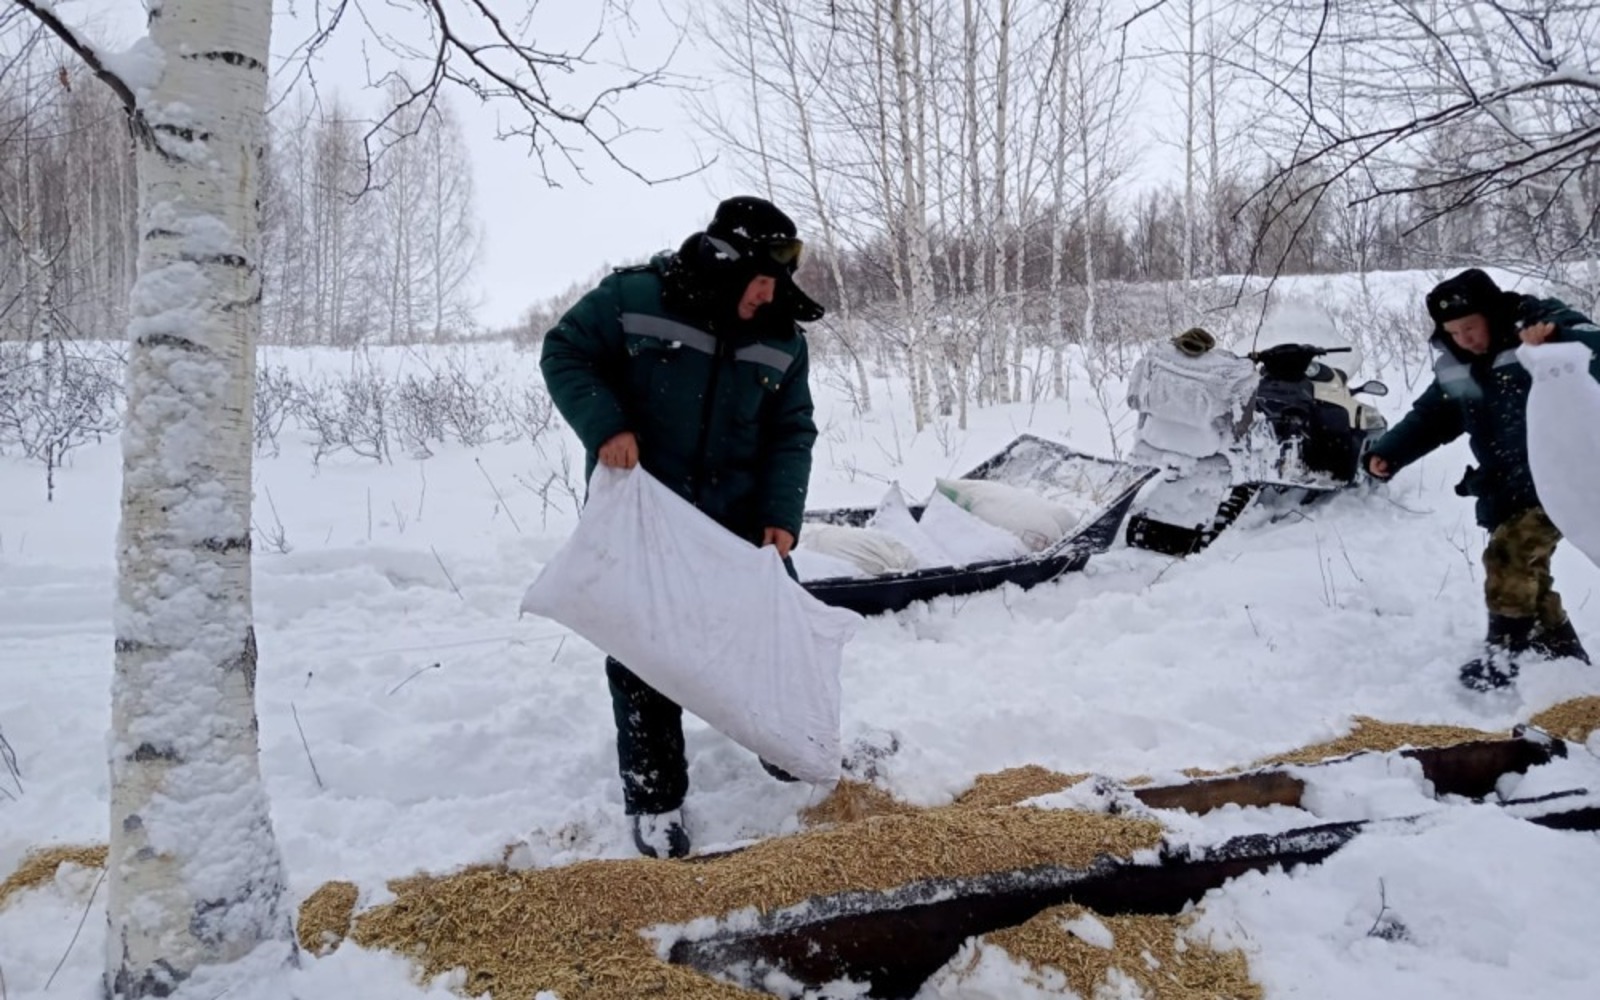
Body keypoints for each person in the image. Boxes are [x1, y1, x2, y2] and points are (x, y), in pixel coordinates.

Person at [540, 196, 823, 858]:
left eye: (776, 281)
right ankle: (656, 799)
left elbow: (792, 428)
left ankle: (788, 752)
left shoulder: (781, 335)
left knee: (774, 636)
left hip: (741, 521)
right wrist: (606, 425)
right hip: (647, 514)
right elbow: (565, 352)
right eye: (760, 279)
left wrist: (781, 516)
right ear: (725, 263)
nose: (769, 293)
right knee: (646, 655)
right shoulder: (635, 297)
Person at [1365, 268, 1600, 691]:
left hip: (1561, 478)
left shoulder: (1540, 327)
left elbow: (1594, 349)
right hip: (1506, 483)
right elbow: (1434, 415)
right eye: (1454, 332)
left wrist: (1558, 339)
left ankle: (1503, 653)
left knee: (1509, 556)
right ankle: (1562, 654)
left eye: (1471, 327)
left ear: (1491, 314)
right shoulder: (1459, 367)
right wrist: (1390, 452)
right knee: (1530, 572)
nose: (1466, 339)